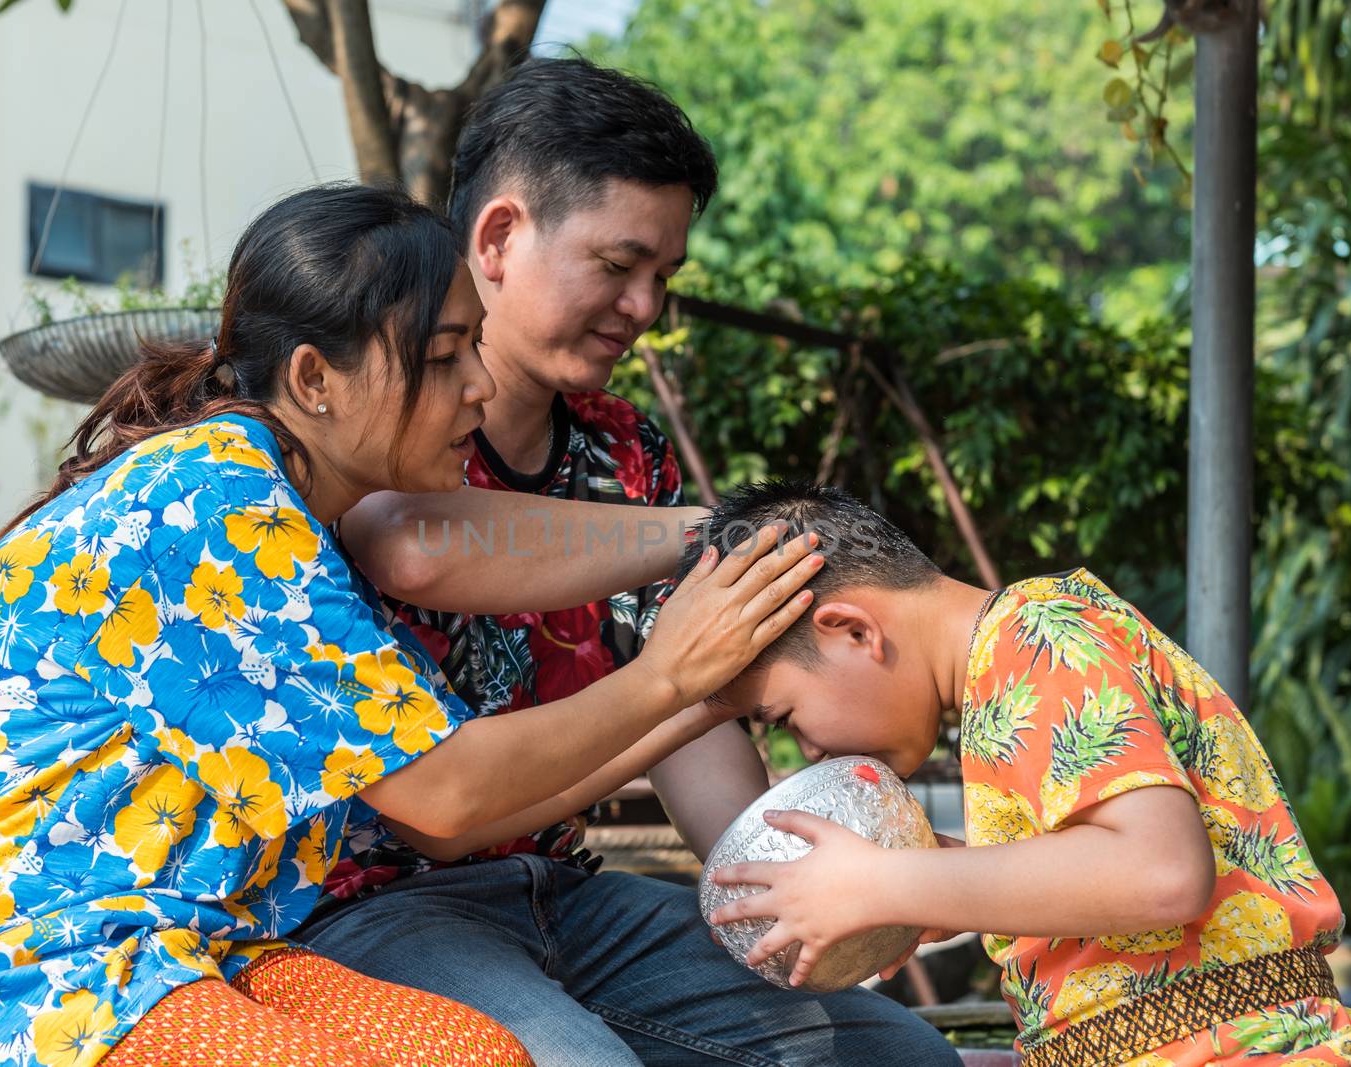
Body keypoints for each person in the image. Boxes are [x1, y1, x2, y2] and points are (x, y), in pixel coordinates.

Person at [0, 182, 819, 1067]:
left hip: (182, 947)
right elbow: (445, 795)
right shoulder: (217, 507)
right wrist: (671, 675)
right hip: (12, 975)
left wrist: (695, 679)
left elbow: (447, 785)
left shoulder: (270, 501)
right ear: (316, 380)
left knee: (481, 1055)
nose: (477, 391)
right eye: (445, 359)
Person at [309, 57, 961, 1067]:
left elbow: (686, 722)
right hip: (373, 912)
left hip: (563, 893)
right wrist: (721, 536)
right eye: (618, 266)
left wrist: (792, 889)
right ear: (497, 236)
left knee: (893, 1053)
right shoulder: (381, 418)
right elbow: (415, 544)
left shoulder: (626, 449)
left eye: (663, 277)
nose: (646, 306)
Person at [696, 481, 1351, 1066]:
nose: (810, 749)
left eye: (785, 714)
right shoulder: (1004, 675)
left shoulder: (1034, 633)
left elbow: (1160, 871)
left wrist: (882, 881)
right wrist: (946, 889)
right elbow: (1111, 885)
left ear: (853, 630)